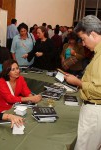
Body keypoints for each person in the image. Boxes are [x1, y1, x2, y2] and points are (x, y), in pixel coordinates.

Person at [64, 15, 101, 150]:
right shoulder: (97, 53)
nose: (83, 44)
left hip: (95, 111)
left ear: (93, 34)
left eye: (84, 39)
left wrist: (79, 83)